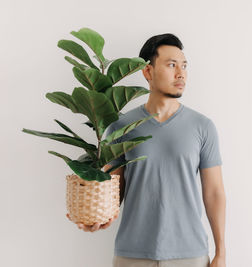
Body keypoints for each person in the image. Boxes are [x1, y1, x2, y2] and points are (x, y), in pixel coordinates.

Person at [66, 33, 226, 267]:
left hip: (190, 254)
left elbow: (214, 193)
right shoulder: (120, 128)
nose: (180, 73)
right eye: (171, 65)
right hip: (132, 254)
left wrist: (221, 252)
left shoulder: (202, 127)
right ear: (147, 72)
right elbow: (112, 190)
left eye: (184, 66)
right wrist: (96, 218)